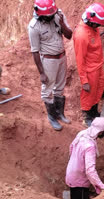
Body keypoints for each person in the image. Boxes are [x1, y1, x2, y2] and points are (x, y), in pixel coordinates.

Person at [28, 0, 72, 131]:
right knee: (47, 90)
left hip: (62, 57)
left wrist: (62, 22)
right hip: (48, 60)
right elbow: (35, 51)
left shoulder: (58, 15)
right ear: (41, 14)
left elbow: (69, 35)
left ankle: (60, 114)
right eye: (49, 15)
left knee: (60, 87)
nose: (52, 16)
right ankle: (52, 117)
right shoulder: (34, 27)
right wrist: (41, 72)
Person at [73, 3, 104, 127]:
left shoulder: (93, 28)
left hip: (98, 67)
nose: (99, 26)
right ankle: (87, 116)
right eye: (98, 23)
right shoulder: (81, 35)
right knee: (88, 94)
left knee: (98, 90)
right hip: (89, 70)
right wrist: (84, 81)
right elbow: (80, 59)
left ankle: (94, 112)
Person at [65, 117, 104, 199]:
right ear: (101, 131)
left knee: (76, 197)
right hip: (79, 181)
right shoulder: (90, 146)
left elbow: (71, 147)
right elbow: (90, 171)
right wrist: (103, 187)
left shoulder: (82, 133)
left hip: (71, 172)